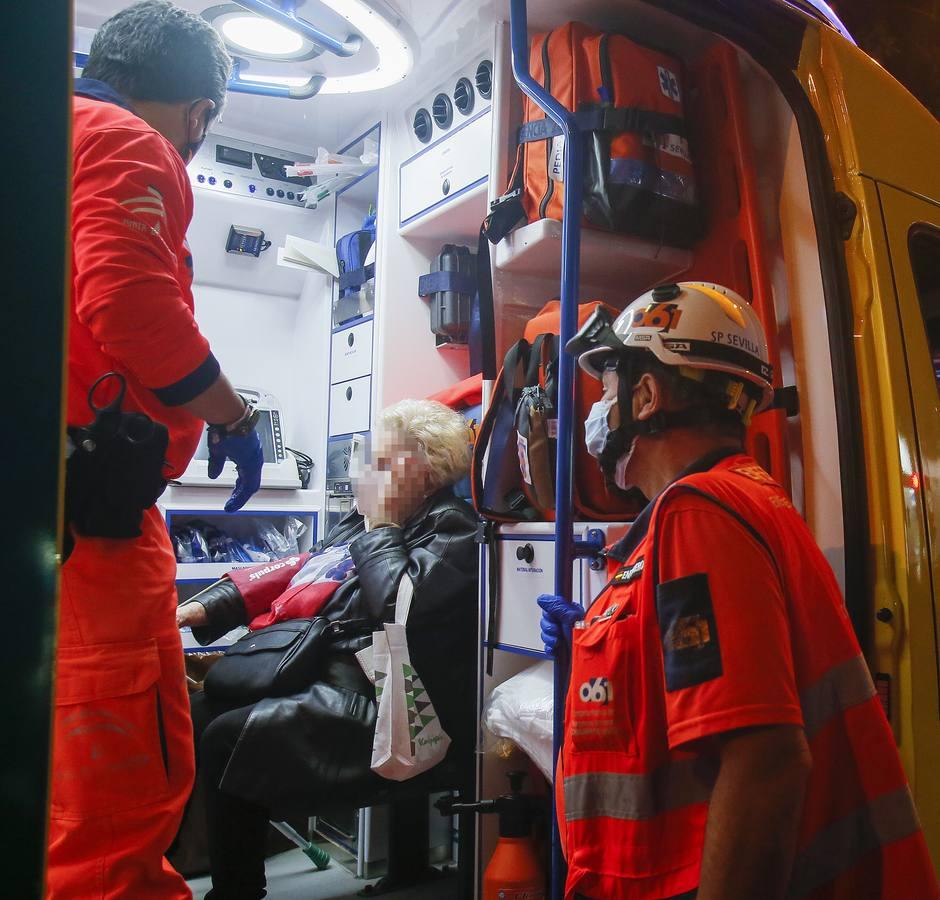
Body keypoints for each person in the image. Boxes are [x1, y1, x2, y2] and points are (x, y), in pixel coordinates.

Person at [539, 282, 939, 900]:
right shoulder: (738, 501)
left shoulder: (699, 512)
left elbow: (766, 763)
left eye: (611, 385)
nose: (600, 407)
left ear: (646, 396)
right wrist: (599, 640)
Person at [51, 4, 264, 897]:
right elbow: (132, 304)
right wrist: (231, 415)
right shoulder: (133, 142)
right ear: (200, 110)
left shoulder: (45, 137)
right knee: (114, 832)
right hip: (93, 532)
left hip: (54, 522)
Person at [175, 399, 479, 900]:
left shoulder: (452, 527)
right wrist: (204, 607)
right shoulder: (358, 525)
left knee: (226, 736)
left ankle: (236, 891)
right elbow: (305, 569)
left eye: (384, 462)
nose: (367, 474)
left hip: (390, 706)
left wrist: (382, 528)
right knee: (198, 713)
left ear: (428, 472)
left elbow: (401, 609)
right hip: (330, 675)